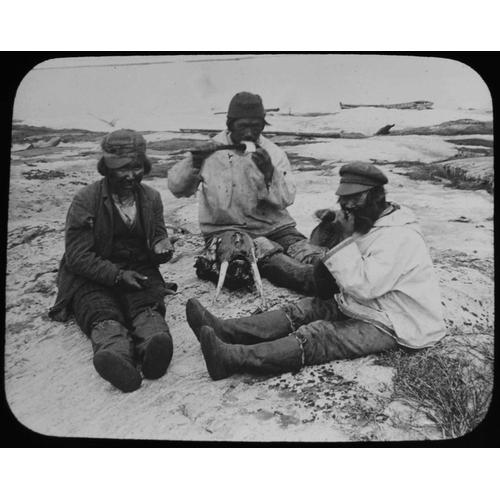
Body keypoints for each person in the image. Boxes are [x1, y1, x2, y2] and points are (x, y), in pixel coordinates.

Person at [185, 163, 447, 381]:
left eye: (356, 199)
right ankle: (225, 331)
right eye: (345, 201)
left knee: (320, 335)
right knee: (305, 308)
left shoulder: (400, 235)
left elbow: (365, 286)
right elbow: (330, 270)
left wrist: (343, 239)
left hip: (398, 320)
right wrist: (330, 230)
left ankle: (231, 359)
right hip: (371, 304)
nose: (349, 207)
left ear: (378, 196)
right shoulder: (373, 218)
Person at [49, 129, 176, 393]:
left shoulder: (151, 197)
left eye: (137, 167)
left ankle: (154, 347)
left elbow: (158, 234)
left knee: (146, 304)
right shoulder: (86, 199)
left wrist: (161, 247)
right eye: (122, 168)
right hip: (89, 272)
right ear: (106, 168)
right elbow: (77, 257)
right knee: (101, 310)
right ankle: (117, 359)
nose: (131, 175)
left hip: (139, 268)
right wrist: (117, 276)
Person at [167, 91, 317, 295]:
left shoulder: (273, 153)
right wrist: (194, 162)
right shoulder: (211, 151)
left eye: (255, 127)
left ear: (263, 127)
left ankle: (324, 273)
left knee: (308, 252)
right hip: (225, 229)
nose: (248, 133)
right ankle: (309, 280)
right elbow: (177, 189)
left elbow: (287, 199)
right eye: (242, 127)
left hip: (275, 227)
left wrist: (269, 172)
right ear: (229, 125)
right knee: (266, 258)